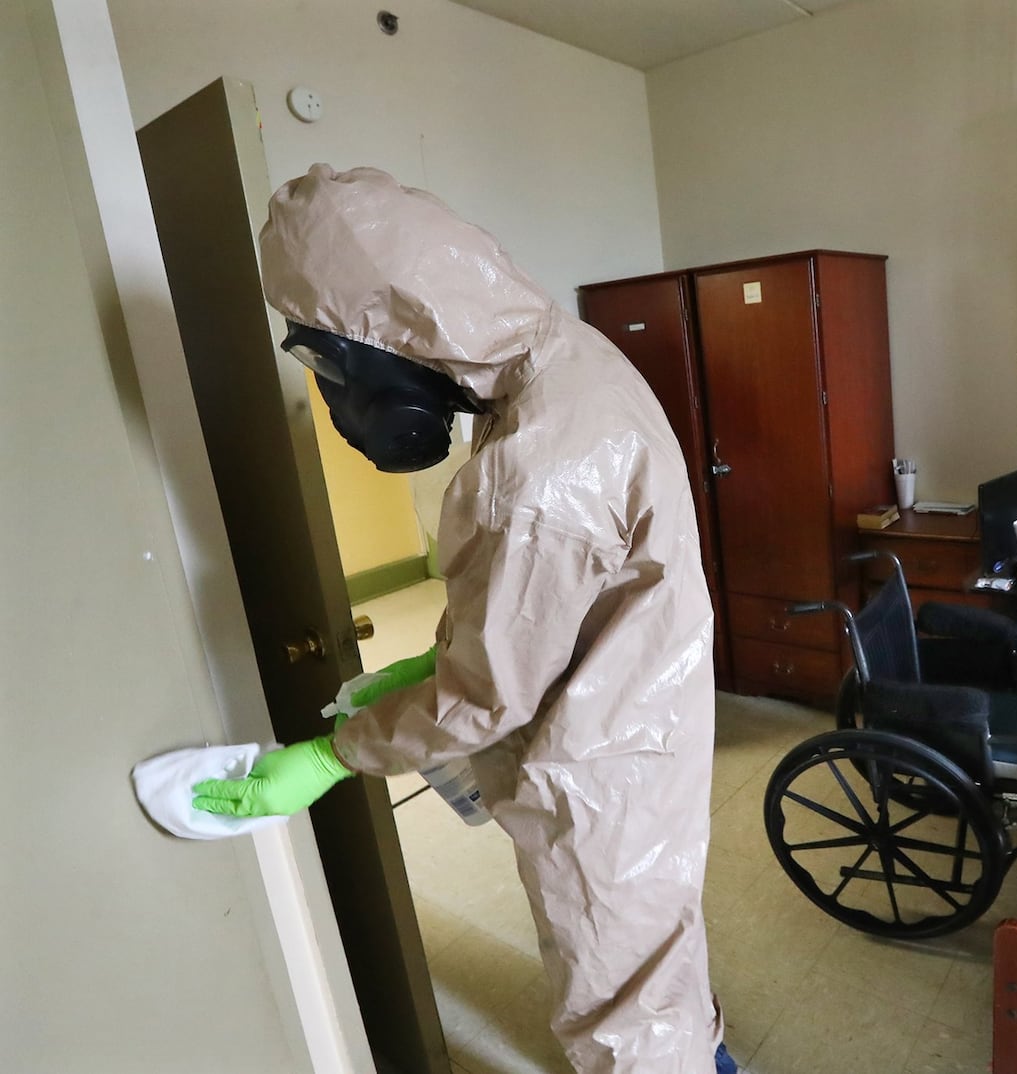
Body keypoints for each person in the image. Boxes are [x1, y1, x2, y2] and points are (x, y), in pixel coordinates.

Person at [190, 165, 733, 1074]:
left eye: (328, 359)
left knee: (620, 1002)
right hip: (640, 715)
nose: (331, 394)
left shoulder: (533, 471)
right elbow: (556, 599)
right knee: (656, 953)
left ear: (395, 325)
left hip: (594, 767)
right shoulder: (562, 361)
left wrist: (332, 754)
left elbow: (485, 701)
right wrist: (445, 657)